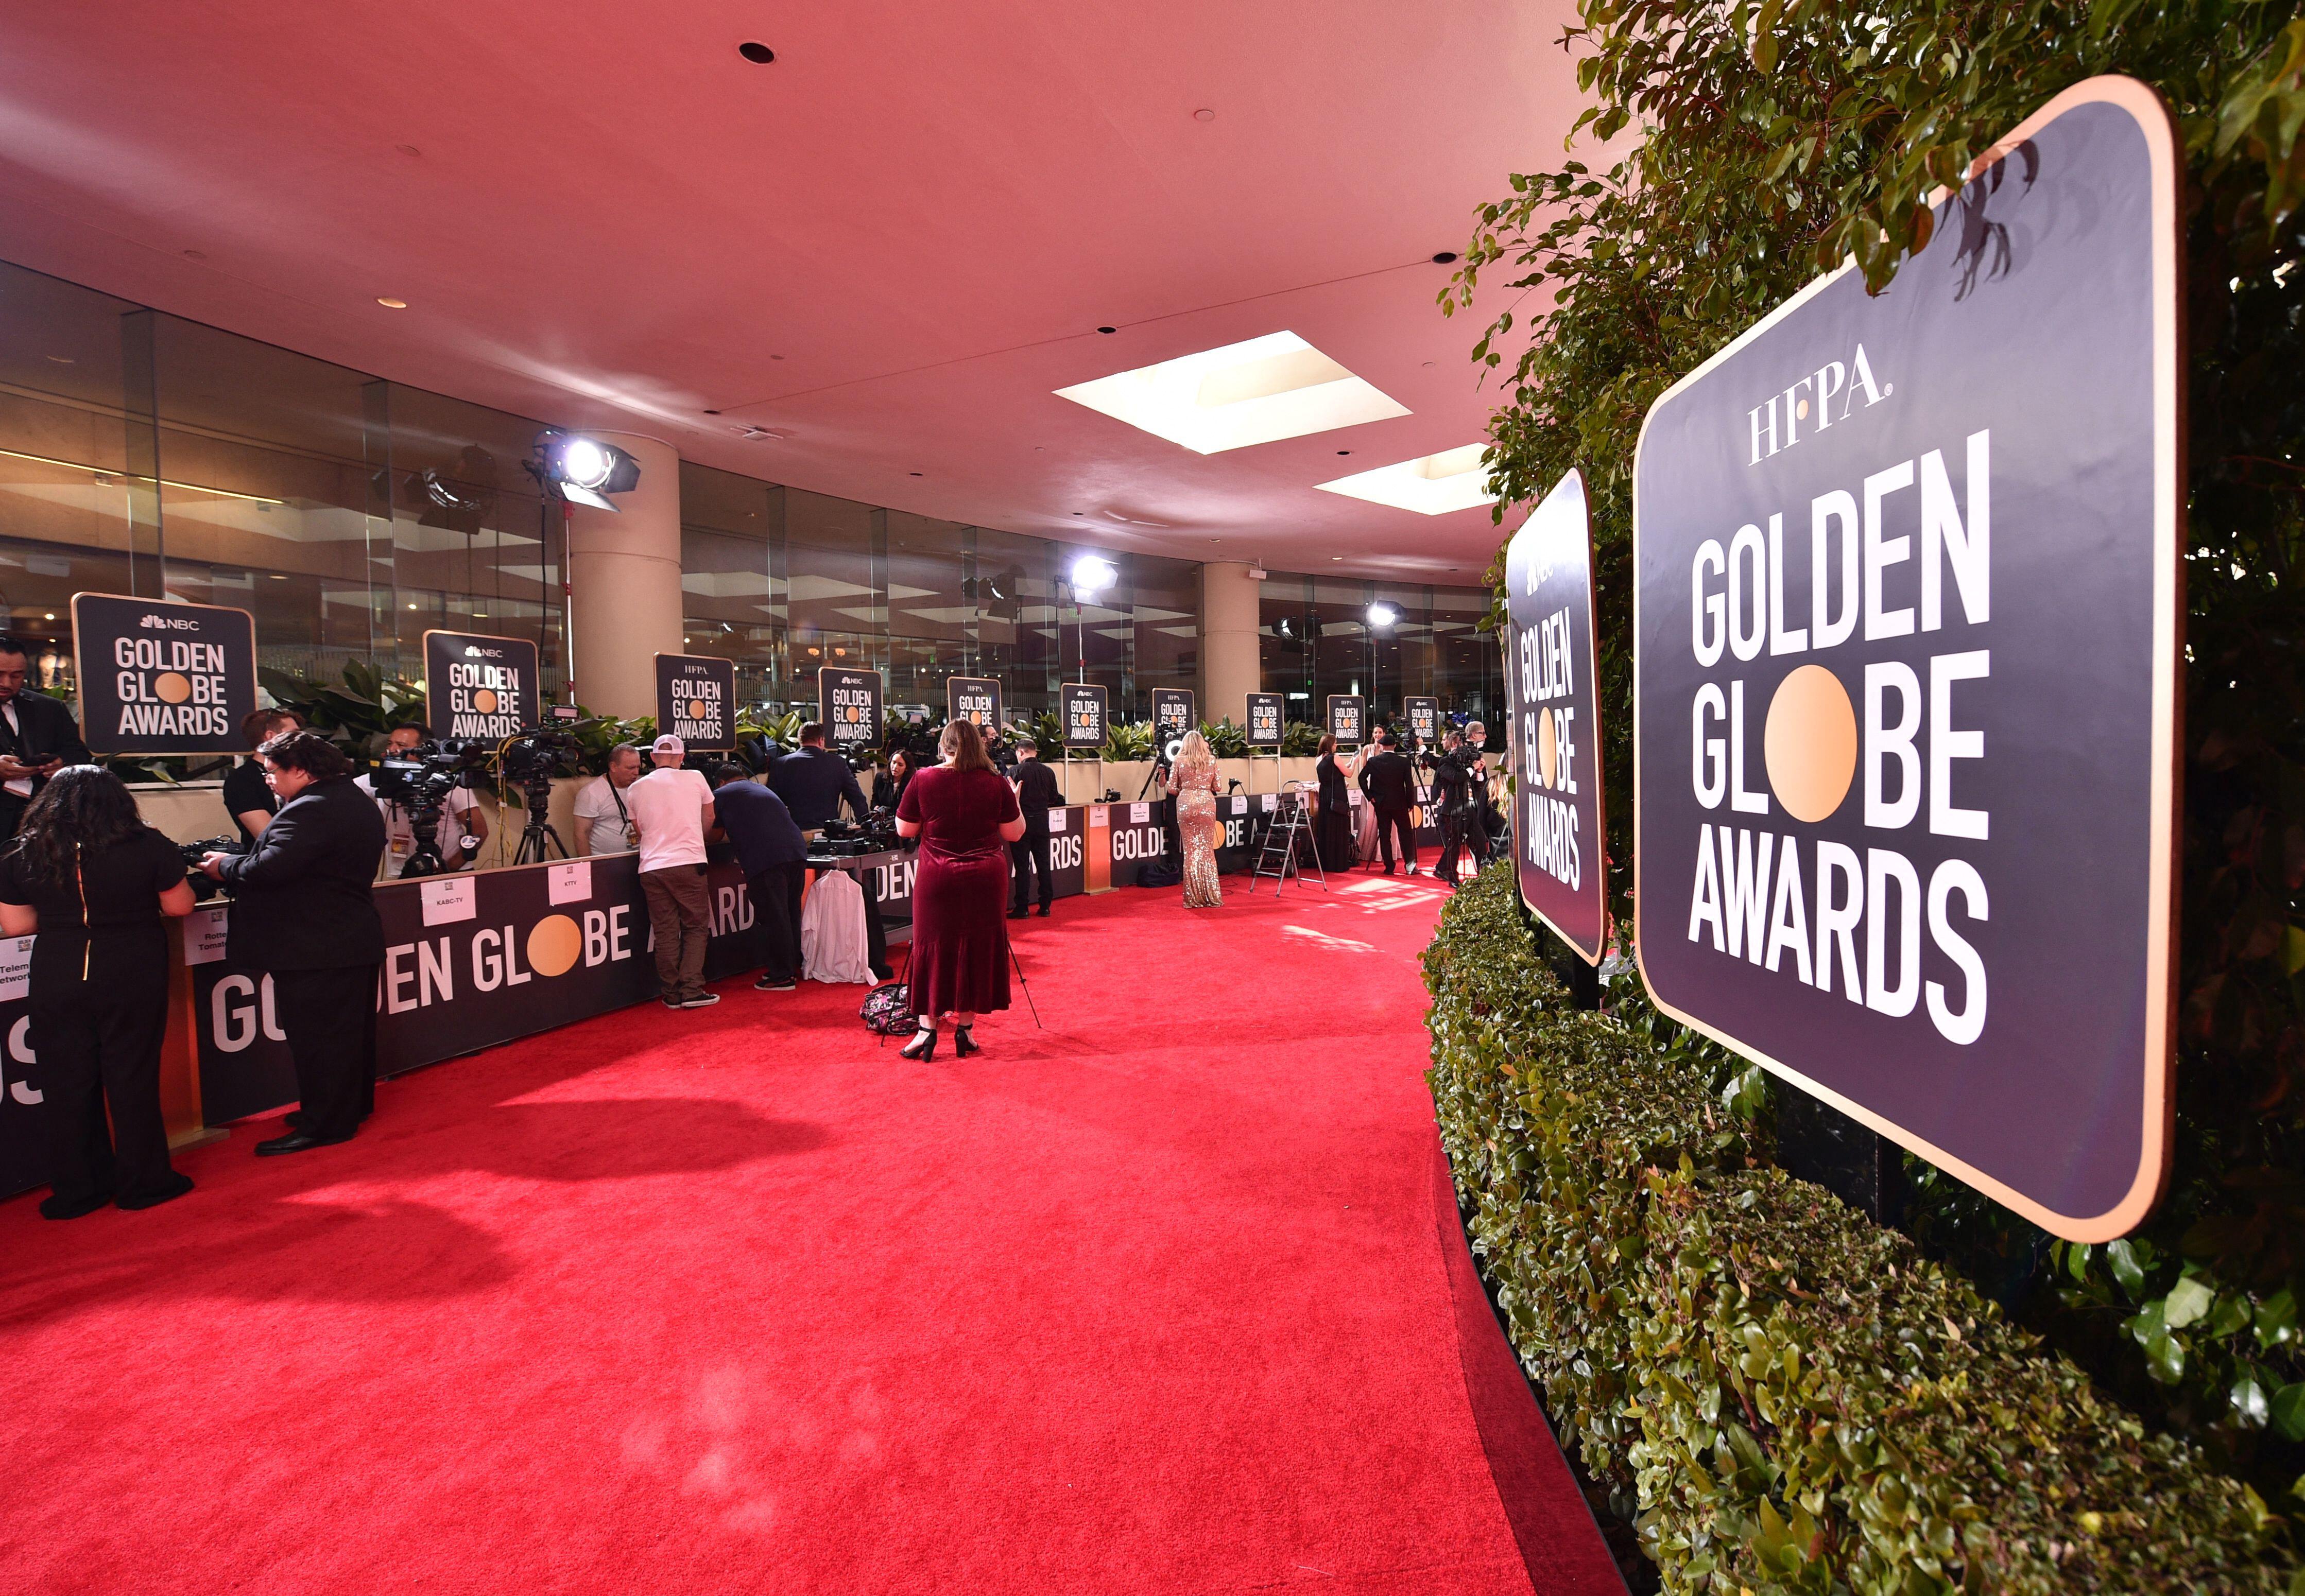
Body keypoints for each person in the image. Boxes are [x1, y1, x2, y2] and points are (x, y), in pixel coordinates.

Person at [0, 766, 200, 1217]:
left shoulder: (21, 853)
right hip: (131, 968)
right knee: (132, 1076)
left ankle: (79, 1190)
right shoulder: (149, 845)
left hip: (58, 972)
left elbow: (18, 925)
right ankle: (144, 1183)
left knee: (67, 1082)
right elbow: (180, 905)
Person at [200, 731, 388, 1155]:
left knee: (318, 1039)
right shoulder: (354, 799)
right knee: (347, 1036)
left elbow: (270, 869)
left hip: (315, 946)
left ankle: (324, 1124)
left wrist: (224, 865)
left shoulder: (311, 809)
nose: (267, 780)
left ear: (301, 771)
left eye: (272, 772)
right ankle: (345, 1108)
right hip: (346, 937)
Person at [893, 719, 1024, 1061]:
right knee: (977, 947)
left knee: (932, 946)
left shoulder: (923, 779)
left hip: (939, 877)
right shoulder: (995, 781)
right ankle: (965, 1031)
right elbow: (1014, 834)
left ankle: (927, 1030)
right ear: (979, 746)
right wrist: (1016, 800)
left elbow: (906, 828)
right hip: (986, 877)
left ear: (944, 746)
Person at [769, 723, 890, 980]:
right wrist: (867, 826)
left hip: (794, 838)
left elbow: (774, 804)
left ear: (800, 740)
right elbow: (857, 797)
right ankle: (833, 948)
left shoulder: (781, 764)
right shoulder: (836, 764)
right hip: (829, 838)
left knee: (795, 900)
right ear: (822, 741)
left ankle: (800, 955)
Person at [626, 735, 719, 1010]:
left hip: (651, 867)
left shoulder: (635, 788)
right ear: (681, 758)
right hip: (688, 862)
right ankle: (691, 990)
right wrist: (696, 841)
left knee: (665, 931)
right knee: (695, 927)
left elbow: (639, 830)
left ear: (653, 758)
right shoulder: (696, 778)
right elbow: (710, 817)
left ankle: (671, 993)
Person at [709, 763, 805, 993]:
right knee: (790, 913)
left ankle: (782, 976)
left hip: (766, 860)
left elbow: (714, 835)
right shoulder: (762, 789)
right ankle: (794, 965)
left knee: (774, 917)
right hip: (797, 854)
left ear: (721, 782)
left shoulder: (721, 795)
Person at [357, 722, 489, 877]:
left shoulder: (444, 781)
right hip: (404, 872)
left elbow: (480, 831)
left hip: (451, 872)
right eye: (390, 743)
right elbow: (345, 792)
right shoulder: (379, 778)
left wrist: (449, 868)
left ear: (422, 750)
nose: (393, 750)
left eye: (401, 745)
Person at [0, 635, 91, 842]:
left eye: (16, 675)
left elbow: (79, 753)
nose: (6, 683)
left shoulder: (49, 708)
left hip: (44, 827)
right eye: (0, 674)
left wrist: (61, 763)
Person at [222, 708, 304, 845]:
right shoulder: (242, 780)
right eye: (294, 734)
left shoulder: (301, 771)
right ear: (271, 736)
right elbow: (267, 835)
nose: (301, 739)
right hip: (273, 860)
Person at [1165, 728, 1224, 908]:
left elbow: (1171, 788)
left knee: (1191, 851)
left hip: (1186, 804)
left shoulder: (1178, 761)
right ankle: (1210, 894)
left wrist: (1185, 786)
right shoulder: (1212, 760)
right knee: (1206, 849)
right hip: (1207, 803)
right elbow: (1219, 786)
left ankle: (1193, 897)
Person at [1007, 739, 1059, 918]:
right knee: (1044, 865)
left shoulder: (1014, 771)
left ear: (1020, 752)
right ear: (1035, 752)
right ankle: (1046, 906)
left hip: (1021, 824)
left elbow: (1008, 800)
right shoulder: (1048, 772)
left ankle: (1022, 907)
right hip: (1042, 823)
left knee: (1022, 867)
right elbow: (1054, 797)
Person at [1433, 730, 1490, 889]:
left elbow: (1480, 785)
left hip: (1472, 807)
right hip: (1454, 809)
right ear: (1455, 745)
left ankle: (1484, 875)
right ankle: (1452, 876)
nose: (1466, 748)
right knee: (1455, 845)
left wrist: (1479, 772)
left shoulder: (1470, 762)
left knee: (1479, 843)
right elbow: (1456, 778)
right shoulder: (1445, 762)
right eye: (1462, 744)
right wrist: (1472, 769)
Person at [1358, 730, 1419, 876]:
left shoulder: (1374, 761)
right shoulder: (1404, 762)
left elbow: (1361, 779)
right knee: (1406, 833)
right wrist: (1410, 804)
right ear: (1395, 746)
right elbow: (1409, 785)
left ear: (1382, 746)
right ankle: (1410, 865)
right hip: (1400, 804)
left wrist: (1371, 797)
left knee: (1385, 835)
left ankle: (1389, 867)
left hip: (1381, 803)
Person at [573, 741, 644, 857]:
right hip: (605, 861)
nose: (636, 772)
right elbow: (581, 834)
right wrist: (589, 866)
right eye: (631, 768)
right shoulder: (591, 792)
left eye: (638, 767)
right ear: (614, 767)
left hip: (640, 857)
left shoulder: (641, 787)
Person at [1312, 734, 1358, 873]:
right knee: (1338, 828)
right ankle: (1338, 863)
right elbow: (1348, 773)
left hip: (1325, 796)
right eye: (1335, 743)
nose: (1336, 745)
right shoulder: (1335, 757)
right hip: (1337, 796)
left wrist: (1349, 763)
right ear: (1330, 745)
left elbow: (1336, 772)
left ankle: (1326, 862)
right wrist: (1355, 762)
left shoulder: (1318, 759)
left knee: (1327, 827)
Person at [870, 748, 915, 812]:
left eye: (900, 765)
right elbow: (874, 801)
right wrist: (877, 808)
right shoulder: (880, 778)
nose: (895, 767)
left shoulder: (911, 783)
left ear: (907, 768)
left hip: (902, 819)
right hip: (884, 819)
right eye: (894, 763)